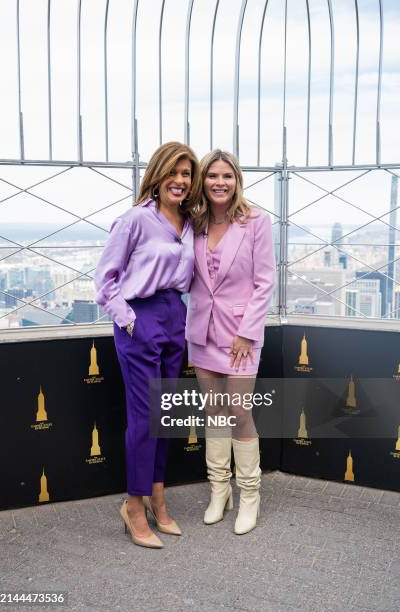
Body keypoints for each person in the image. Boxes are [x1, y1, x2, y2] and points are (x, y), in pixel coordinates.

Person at [95, 142, 201, 548]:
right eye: (173, 173)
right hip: (141, 318)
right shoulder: (135, 220)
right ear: (157, 176)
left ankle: (158, 497)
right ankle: (134, 506)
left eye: (187, 174)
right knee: (144, 417)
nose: (180, 180)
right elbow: (105, 279)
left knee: (165, 415)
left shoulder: (192, 223)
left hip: (176, 317)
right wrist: (130, 321)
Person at [186, 149, 275, 535]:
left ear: (237, 180)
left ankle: (250, 496)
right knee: (215, 412)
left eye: (227, 176)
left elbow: (265, 281)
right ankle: (218, 491)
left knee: (238, 411)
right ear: (202, 180)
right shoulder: (195, 221)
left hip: (241, 334)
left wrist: (246, 332)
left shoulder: (256, 221)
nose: (219, 182)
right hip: (202, 332)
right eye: (212, 176)